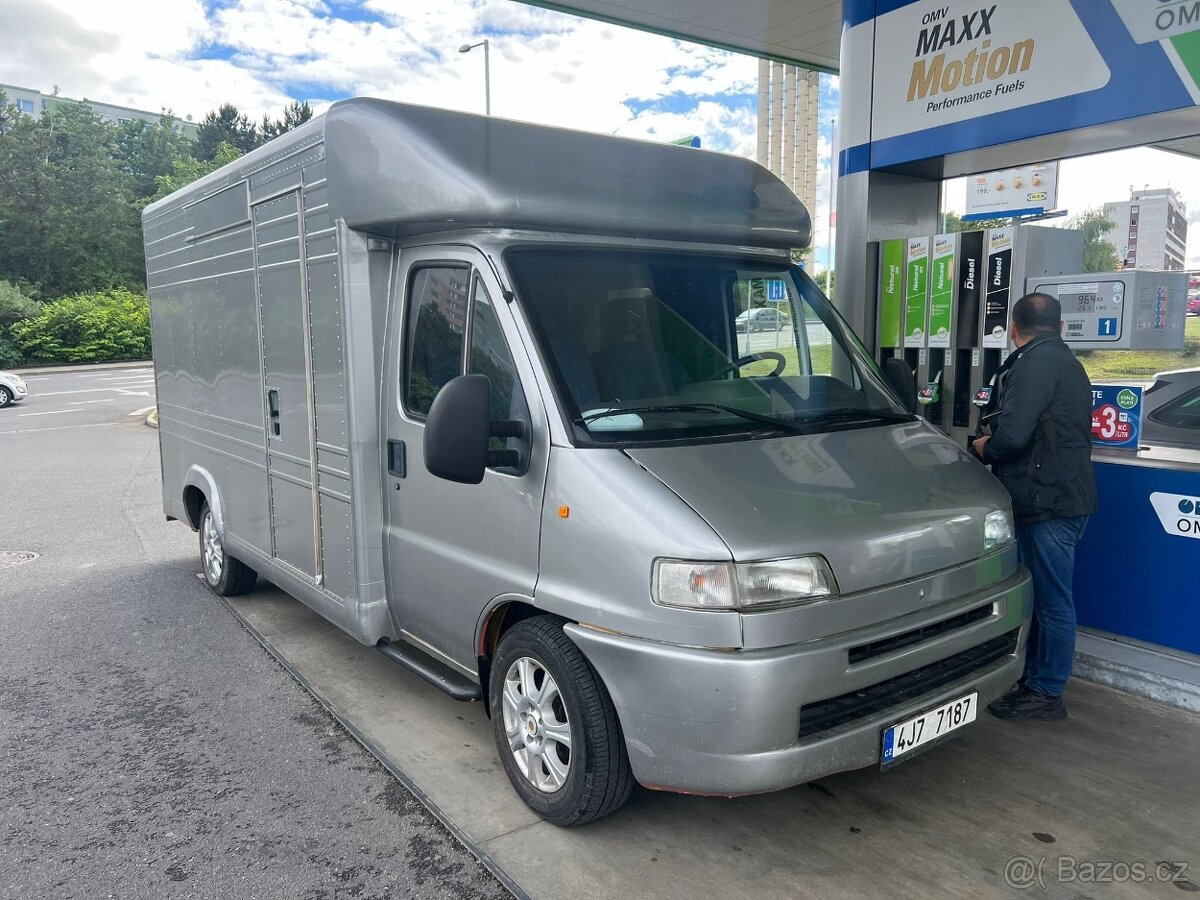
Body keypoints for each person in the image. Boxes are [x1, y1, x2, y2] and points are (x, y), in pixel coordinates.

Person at [972, 292, 1097, 721]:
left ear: (1012, 329)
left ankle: (1045, 692)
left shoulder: (1034, 365)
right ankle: (1037, 681)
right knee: (1047, 597)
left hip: (1048, 503)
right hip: (1063, 497)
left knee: (1052, 600)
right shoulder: (1067, 363)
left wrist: (981, 446)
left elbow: (1011, 439)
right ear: (1060, 327)